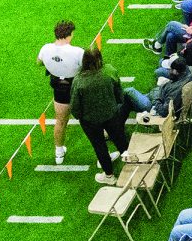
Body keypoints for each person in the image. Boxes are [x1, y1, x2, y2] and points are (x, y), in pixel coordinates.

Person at [69, 48, 128, 185]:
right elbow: (119, 91)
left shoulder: (79, 80)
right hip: (111, 113)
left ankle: (109, 176)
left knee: (99, 146)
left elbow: (75, 105)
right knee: (120, 139)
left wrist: (79, 117)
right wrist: (118, 102)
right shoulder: (109, 71)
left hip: (90, 120)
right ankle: (132, 165)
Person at [36, 21, 83, 165]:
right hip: (77, 88)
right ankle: (102, 153)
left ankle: (59, 153)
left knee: (61, 121)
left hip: (59, 89)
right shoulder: (78, 52)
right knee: (91, 121)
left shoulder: (45, 49)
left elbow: (39, 62)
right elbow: (88, 68)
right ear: (69, 35)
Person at [123, 58, 192, 119]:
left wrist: (156, 98)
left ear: (177, 71)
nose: (169, 71)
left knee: (129, 91)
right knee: (128, 101)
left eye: (171, 70)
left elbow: (164, 111)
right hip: (159, 96)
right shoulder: (188, 71)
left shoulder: (176, 90)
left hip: (153, 107)